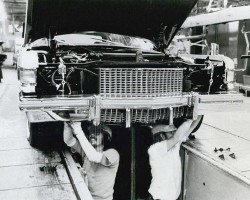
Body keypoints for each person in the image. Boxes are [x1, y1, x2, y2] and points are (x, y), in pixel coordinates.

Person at [147, 116, 203, 200]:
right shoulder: (155, 149)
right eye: (171, 132)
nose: (175, 133)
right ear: (162, 136)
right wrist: (189, 119)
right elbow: (176, 137)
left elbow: (191, 127)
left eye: (175, 131)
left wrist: (198, 114)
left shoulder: (175, 145)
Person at [63, 121, 120, 200]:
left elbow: (93, 156)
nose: (92, 135)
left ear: (106, 136)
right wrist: (67, 124)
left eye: (97, 132)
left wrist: (79, 131)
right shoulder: (86, 152)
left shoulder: (113, 154)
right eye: (90, 132)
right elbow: (69, 140)